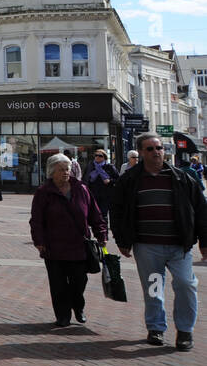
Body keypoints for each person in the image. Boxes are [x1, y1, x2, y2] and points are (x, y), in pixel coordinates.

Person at [110, 132, 207, 350]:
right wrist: (122, 239)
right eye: (150, 149)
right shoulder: (130, 179)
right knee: (154, 288)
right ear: (142, 152)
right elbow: (116, 210)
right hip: (147, 246)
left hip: (178, 245)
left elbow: (201, 209)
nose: (156, 152)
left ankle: (185, 331)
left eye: (159, 148)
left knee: (185, 284)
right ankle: (156, 328)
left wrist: (204, 241)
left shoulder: (182, 178)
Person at [30, 154, 107, 328]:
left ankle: (78, 306)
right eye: (61, 170)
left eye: (67, 169)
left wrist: (101, 234)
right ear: (52, 172)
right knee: (58, 285)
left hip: (78, 246)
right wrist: (39, 241)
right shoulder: (44, 192)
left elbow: (95, 214)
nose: (66, 172)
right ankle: (62, 315)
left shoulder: (81, 189)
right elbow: (36, 220)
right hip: (53, 246)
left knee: (79, 281)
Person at [84, 148, 119, 230]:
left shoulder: (109, 167)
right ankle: (98, 231)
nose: (97, 157)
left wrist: (110, 181)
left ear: (104, 157)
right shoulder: (90, 166)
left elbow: (118, 180)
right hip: (93, 194)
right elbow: (84, 178)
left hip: (106, 195)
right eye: (96, 155)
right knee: (95, 214)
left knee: (103, 214)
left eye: (100, 156)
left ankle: (104, 232)